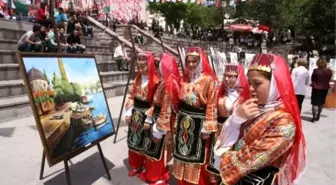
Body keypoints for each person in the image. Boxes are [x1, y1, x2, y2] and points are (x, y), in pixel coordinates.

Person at [214, 54, 306, 185]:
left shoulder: (283, 123)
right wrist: (235, 119)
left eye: (257, 83)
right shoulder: (252, 109)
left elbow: (250, 158)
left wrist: (218, 157)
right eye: (249, 83)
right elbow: (222, 137)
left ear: (275, 83)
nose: (251, 89)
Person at [172, 47, 218, 185]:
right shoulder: (184, 79)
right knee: (182, 154)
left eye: (194, 61)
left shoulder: (209, 80)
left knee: (198, 157)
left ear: (201, 61)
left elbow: (211, 104)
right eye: (188, 61)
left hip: (199, 123)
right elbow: (178, 101)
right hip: (183, 120)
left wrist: (208, 127)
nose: (191, 64)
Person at [138, 53, 181, 185]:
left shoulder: (169, 84)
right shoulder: (166, 81)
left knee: (158, 151)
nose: (157, 69)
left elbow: (166, 109)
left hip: (163, 123)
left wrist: (159, 130)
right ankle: (159, 174)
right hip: (158, 119)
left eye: (160, 66)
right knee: (158, 151)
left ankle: (157, 177)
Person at [206, 64, 250, 183]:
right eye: (225, 75)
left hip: (236, 134)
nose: (227, 79)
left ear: (239, 77)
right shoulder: (220, 92)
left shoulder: (245, 96)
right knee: (216, 162)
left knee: (231, 165)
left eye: (232, 76)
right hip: (220, 133)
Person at [124, 52, 160, 178]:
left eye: (143, 66)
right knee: (134, 141)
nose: (140, 70)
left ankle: (148, 168)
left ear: (150, 65)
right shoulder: (137, 79)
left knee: (147, 143)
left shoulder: (156, 81)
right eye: (139, 67)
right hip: (135, 114)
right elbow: (131, 95)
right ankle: (136, 165)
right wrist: (128, 112)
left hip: (148, 115)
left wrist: (149, 119)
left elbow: (157, 102)